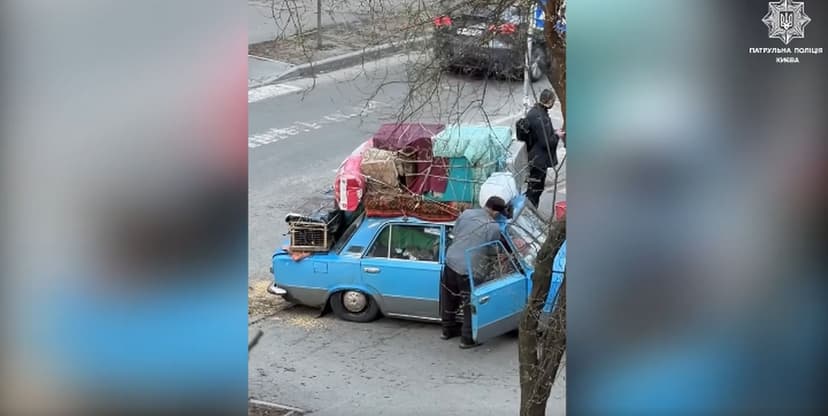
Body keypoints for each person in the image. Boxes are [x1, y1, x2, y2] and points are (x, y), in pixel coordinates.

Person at [440, 196, 507, 349]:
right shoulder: (493, 227)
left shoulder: (466, 213)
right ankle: (467, 338)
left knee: (449, 298)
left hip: (450, 261)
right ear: (495, 212)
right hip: (468, 269)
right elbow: (491, 250)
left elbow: (455, 233)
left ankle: (447, 330)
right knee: (470, 304)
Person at [521, 89, 564, 208]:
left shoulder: (534, 112)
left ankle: (529, 211)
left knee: (533, 188)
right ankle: (530, 213)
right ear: (549, 101)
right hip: (539, 160)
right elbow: (546, 142)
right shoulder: (541, 118)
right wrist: (557, 135)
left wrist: (553, 132)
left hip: (533, 157)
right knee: (535, 191)